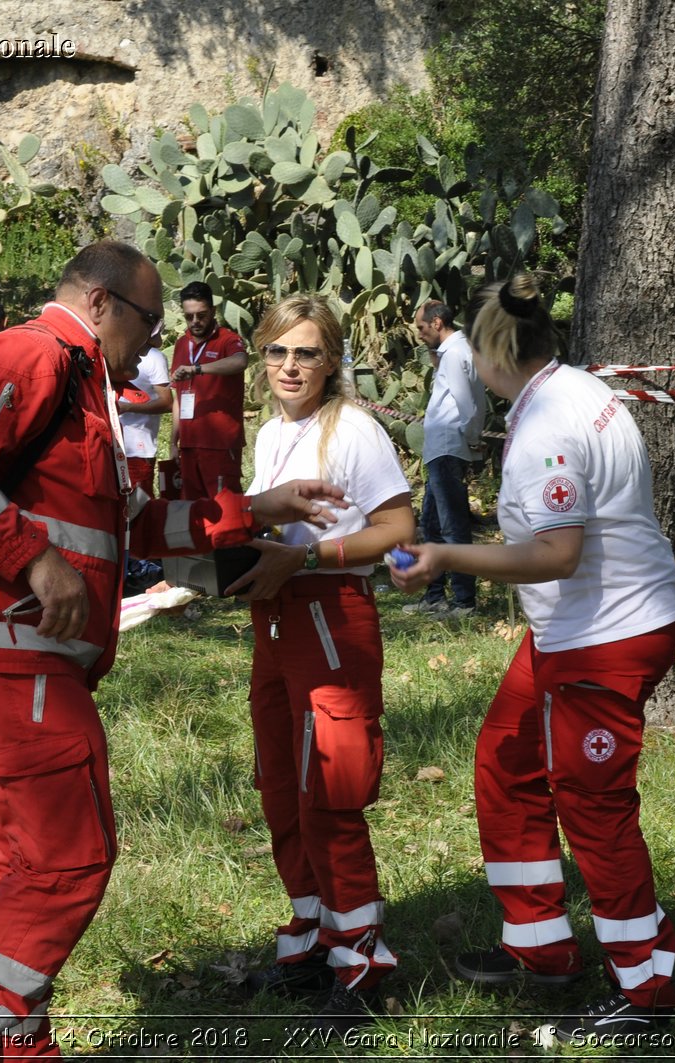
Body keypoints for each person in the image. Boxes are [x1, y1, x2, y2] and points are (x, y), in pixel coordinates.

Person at [0, 241, 344, 1061]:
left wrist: (256, 508)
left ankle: (15, 1043)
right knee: (69, 856)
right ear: (101, 304)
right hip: (14, 659)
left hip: (31, 662)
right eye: (149, 319)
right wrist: (34, 555)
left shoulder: (82, 385)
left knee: (24, 860)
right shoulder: (29, 354)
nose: (156, 337)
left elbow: (132, 525)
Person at [390, 274, 675, 1038]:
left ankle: (645, 987)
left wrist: (445, 555)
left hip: (603, 634)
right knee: (507, 758)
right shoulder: (575, 387)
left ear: (492, 352)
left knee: (594, 806)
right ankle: (541, 944)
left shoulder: (545, 426)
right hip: (583, 627)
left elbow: (555, 553)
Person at [230, 293, 415, 1027]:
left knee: (329, 788)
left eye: (306, 351)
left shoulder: (355, 428)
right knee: (280, 783)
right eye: (277, 350)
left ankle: (362, 961)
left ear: (332, 358)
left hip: (331, 616)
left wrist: (308, 555)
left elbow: (399, 526)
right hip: (274, 622)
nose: (289, 365)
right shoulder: (271, 433)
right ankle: (309, 937)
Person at [402, 299, 486, 619]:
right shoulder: (454, 353)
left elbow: (468, 402)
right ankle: (435, 595)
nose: (420, 335)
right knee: (432, 526)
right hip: (441, 449)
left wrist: (473, 437)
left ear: (437, 323)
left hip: (449, 447)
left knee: (452, 528)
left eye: (422, 328)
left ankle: (464, 602)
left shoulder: (454, 353)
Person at [169, 281, 248, 500]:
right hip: (188, 444)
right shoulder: (181, 344)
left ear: (213, 311)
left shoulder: (228, 340)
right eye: (189, 316)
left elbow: (240, 361)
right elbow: (178, 397)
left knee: (226, 510)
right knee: (192, 510)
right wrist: (173, 443)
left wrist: (198, 369)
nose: (195, 322)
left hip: (220, 444)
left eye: (201, 315)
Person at [118, 343, 172, 497]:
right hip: (110, 446)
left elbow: (167, 403)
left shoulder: (154, 357)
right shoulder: (113, 351)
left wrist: (128, 407)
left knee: (139, 506)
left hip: (137, 449)